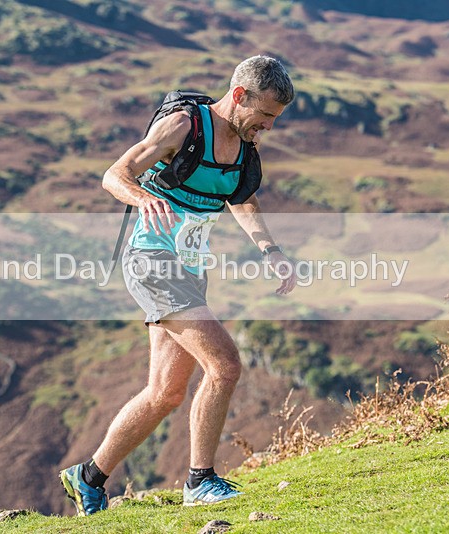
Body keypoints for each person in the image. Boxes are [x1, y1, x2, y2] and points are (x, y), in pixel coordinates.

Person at [60, 55, 297, 516]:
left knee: (165, 392)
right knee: (226, 365)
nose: (268, 126)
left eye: (275, 119)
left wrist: (271, 252)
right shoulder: (184, 126)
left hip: (190, 269)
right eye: (265, 114)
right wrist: (144, 197)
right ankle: (200, 481)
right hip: (152, 262)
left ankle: (87, 478)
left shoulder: (245, 144)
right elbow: (115, 174)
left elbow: (242, 200)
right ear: (240, 95)